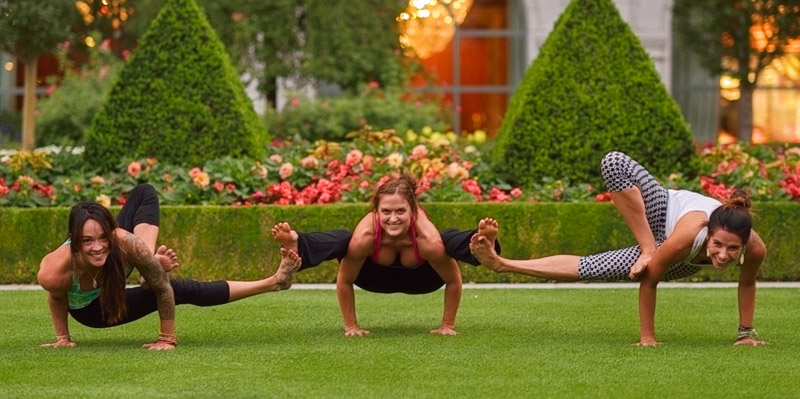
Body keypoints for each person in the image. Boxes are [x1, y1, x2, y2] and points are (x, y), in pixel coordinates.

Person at [469, 151, 767, 347]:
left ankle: (501, 263)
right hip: (662, 214)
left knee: (593, 268)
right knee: (613, 162)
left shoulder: (754, 249)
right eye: (717, 245)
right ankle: (648, 247)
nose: (724, 255)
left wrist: (745, 334)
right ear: (708, 232)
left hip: (684, 259)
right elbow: (651, 279)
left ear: (744, 244)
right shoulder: (691, 232)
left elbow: (747, 283)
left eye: (732, 248)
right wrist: (647, 337)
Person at [37, 184, 301, 350]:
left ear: (112, 232)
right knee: (180, 287)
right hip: (96, 311)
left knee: (145, 191)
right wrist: (63, 338)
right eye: (87, 241)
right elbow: (56, 297)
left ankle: (147, 264)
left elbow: (162, 288)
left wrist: (167, 337)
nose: (97, 247)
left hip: (121, 265)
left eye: (103, 237)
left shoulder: (123, 243)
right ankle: (273, 281)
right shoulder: (55, 270)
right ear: (74, 242)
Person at [271, 174, 500, 337]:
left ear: (413, 211)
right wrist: (351, 326)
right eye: (386, 212)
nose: (393, 218)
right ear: (376, 211)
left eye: (400, 211)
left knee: (447, 238)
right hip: (373, 278)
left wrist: (447, 325)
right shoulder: (366, 237)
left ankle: (480, 244)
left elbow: (453, 280)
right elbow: (345, 280)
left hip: (422, 280)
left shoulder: (427, 240)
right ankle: (298, 242)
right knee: (343, 239)